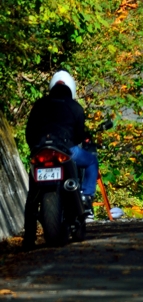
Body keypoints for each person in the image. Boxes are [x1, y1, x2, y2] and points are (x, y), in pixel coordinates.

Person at [23, 71, 99, 247]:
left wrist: (35, 149)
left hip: (41, 150)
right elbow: (79, 135)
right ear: (71, 89)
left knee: (32, 197)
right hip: (66, 150)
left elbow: (29, 132)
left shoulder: (39, 104)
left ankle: (28, 238)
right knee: (91, 161)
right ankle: (86, 196)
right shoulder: (75, 107)